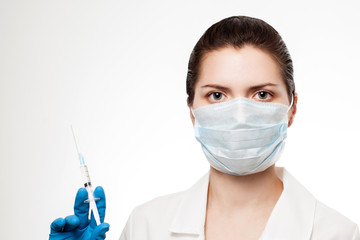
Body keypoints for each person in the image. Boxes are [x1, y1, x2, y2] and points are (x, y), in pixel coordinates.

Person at [50, 16, 360, 240]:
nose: (239, 115)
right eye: (217, 95)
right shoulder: (146, 227)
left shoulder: (338, 233)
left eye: (262, 94)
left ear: (291, 108)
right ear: (192, 111)